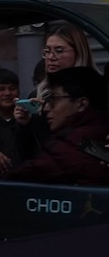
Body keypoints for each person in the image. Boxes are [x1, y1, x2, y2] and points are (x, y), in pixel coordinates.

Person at [5, 67, 109, 185]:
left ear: (81, 104)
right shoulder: (97, 134)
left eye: (53, 99)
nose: (46, 108)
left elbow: (14, 178)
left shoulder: (68, 150)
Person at [15, 24, 100, 157]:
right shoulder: (39, 94)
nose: (51, 57)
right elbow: (28, 152)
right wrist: (25, 123)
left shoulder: (98, 90)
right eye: (47, 51)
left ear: (78, 52)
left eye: (59, 51)